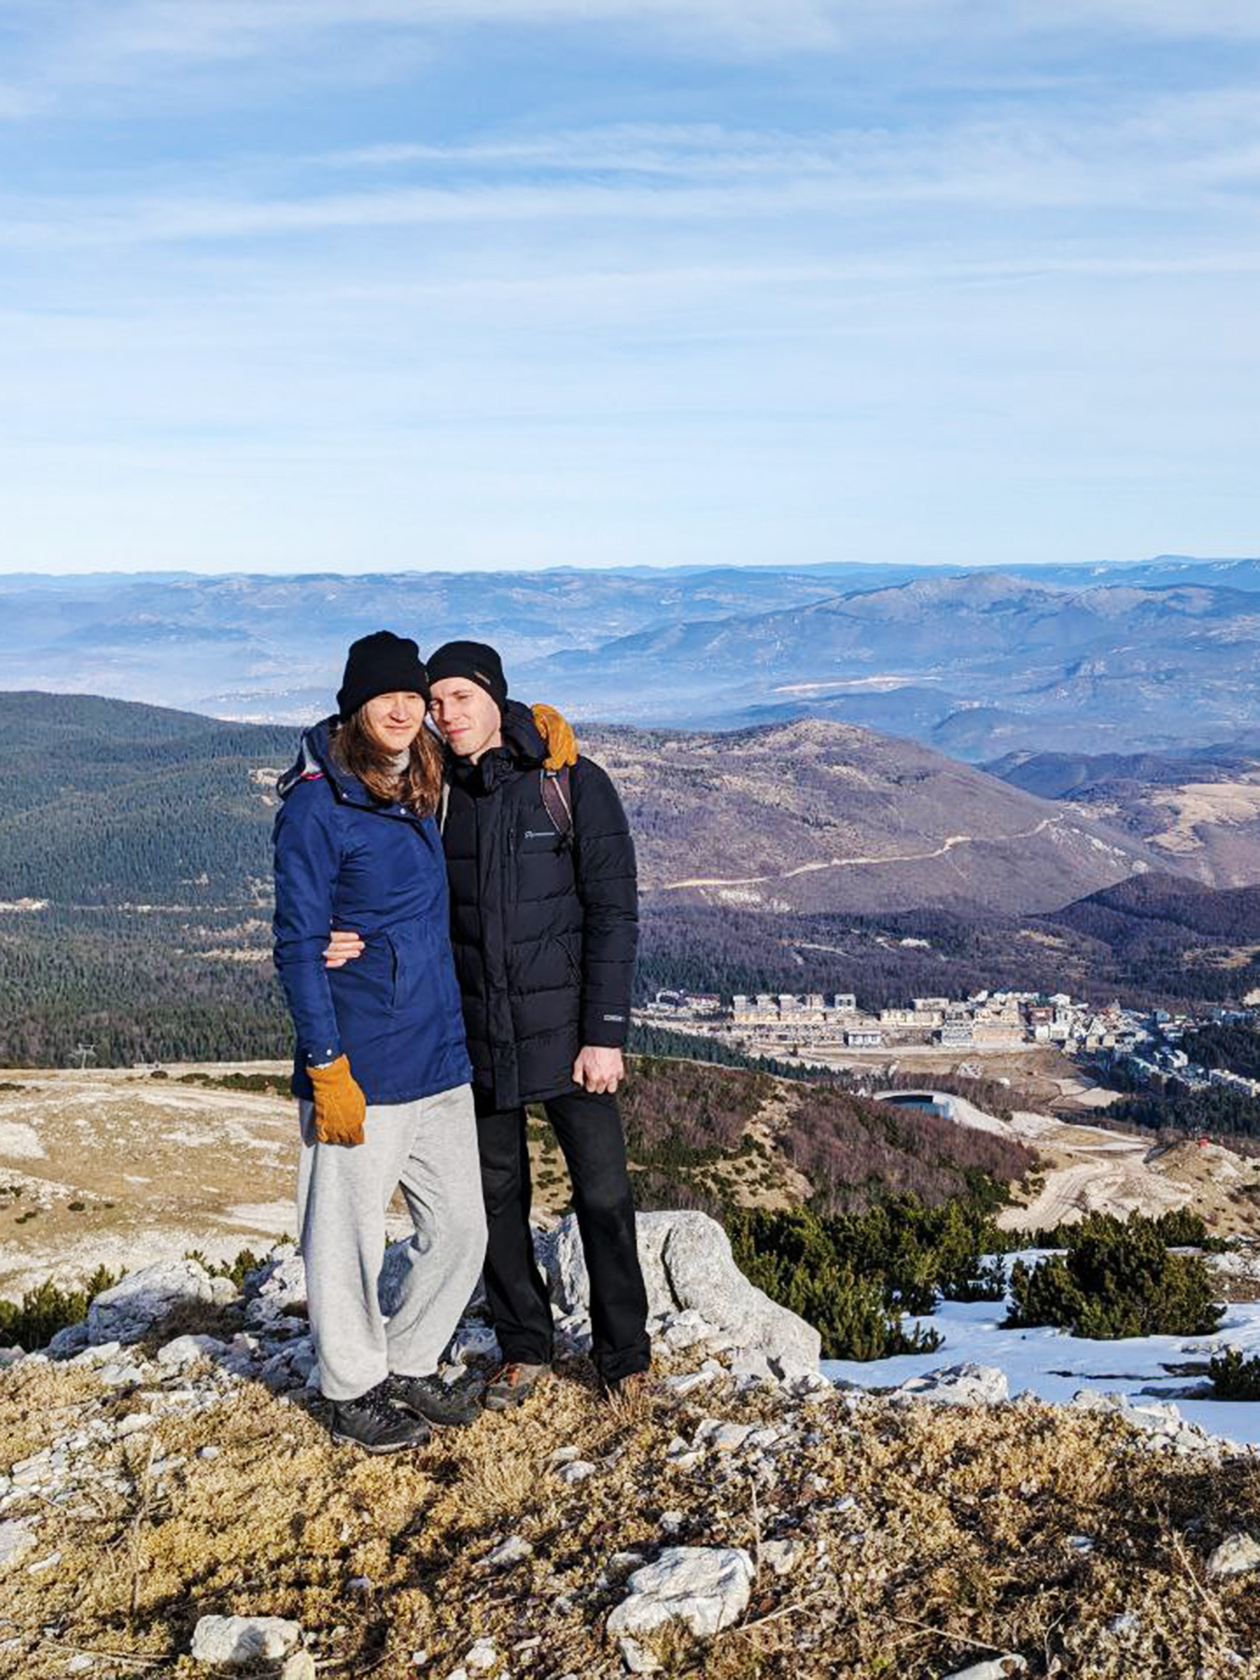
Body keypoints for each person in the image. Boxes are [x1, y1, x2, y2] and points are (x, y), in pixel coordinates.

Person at [327, 640, 650, 1403]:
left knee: (602, 1197)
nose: (442, 714)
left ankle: (625, 1360)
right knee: (495, 1201)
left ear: (494, 698)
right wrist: (333, 930)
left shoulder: (569, 781)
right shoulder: (430, 788)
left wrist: (605, 1034)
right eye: (433, 702)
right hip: (473, 1034)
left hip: (572, 1037)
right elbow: (369, 843)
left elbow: (614, 914)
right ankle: (524, 1345)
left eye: (458, 698)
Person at [272, 630, 487, 1453]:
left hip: (437, 1052)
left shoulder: (419, 779)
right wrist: (326, 1065)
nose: (403, 709)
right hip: (361, 1055)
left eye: (414, 695)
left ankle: (411, 1356)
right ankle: (352, 1385)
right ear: (354, 707)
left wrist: (538, 726)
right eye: (385, 697)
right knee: (345, 1236)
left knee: (462, 1226)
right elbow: (297, 945)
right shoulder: (317, 808)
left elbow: (498, 750)